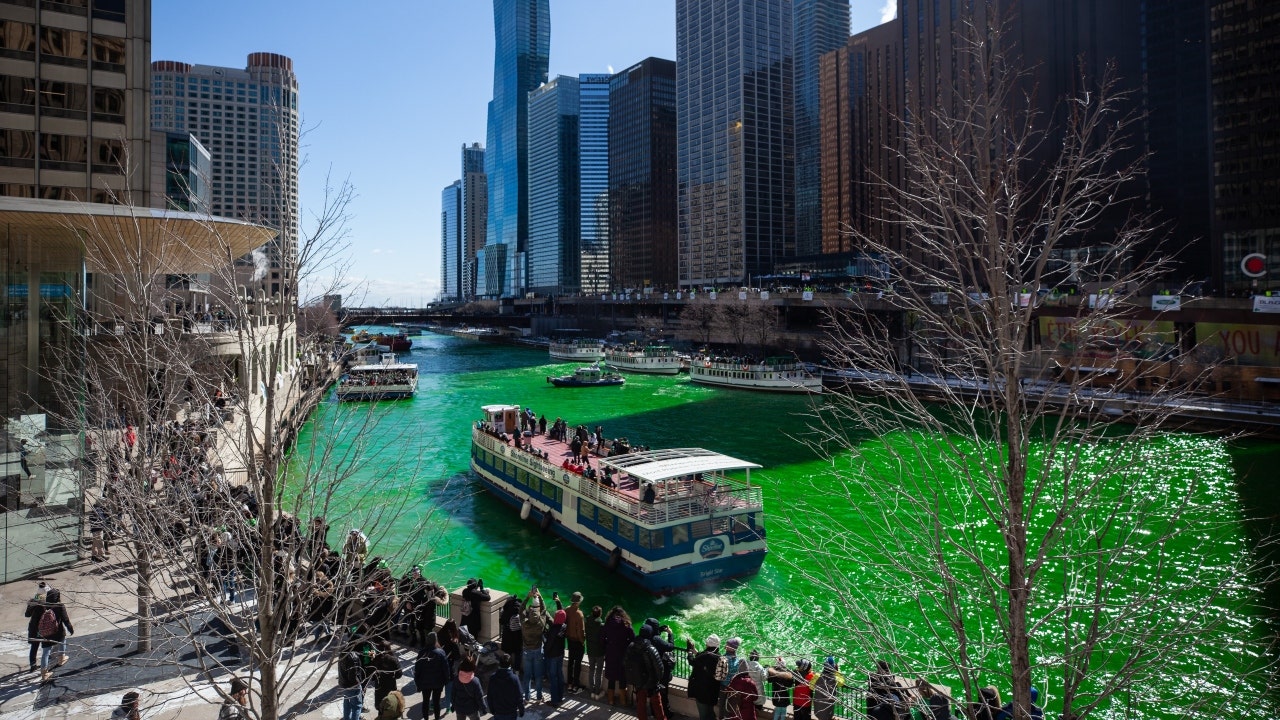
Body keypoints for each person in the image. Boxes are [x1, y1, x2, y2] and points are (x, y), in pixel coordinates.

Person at [30, 587, 74, 681]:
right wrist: (70, 629)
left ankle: (44, 673)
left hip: (46, 633)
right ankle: (61, 658)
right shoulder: (60, 606)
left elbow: (36, 620)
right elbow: (65, 619)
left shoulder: (43, 606)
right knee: (63, 641)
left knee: (46, 653)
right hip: (58, 631)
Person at [625, 624, 667, 720]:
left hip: (639, 682)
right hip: (651, 683)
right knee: (657, 705)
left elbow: (625, 662)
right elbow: (660, 668)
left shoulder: (631, 646)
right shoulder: (651, 649)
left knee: (641, 705)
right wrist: (657, 680)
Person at [600, 605, 636, 706]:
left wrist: (607, 647)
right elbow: (633, 639)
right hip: (623, 654)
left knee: (611, 678)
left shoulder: (607, 624)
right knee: (622, 678)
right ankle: (623, 701)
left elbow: (602, 640)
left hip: (611, 654)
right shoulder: (626, 624)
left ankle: (610, 700)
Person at [520, 588, 550, 701]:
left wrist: (528, 597)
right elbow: (544, 609)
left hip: (526, 650)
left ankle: (527, 697)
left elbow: (521, 610)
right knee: (538, 675)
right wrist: (540, 596)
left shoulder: (524, 623)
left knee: (527, 675)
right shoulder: (541, 623)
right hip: (537, 650)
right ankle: (538, 697)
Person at [415, 633, 451, 720]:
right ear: (435, 640)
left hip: (425, 682)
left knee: (425, 702)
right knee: (436, 702)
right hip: (438, 683)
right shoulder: (441, 653)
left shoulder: (422, 653)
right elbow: (446, 670)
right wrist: (446, 681)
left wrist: (418, 683)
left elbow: (417, 670)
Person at [686, 634, 722, 720]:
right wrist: (694, 650)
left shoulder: (704, 656)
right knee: (710, 712)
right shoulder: (719, 656)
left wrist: (690, 652)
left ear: (707, 644)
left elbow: (693, 661)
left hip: (702, 692)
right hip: (713, 692)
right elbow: (702, 659)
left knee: (703, 715)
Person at [488, 651, 527, 720]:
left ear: (499, 664)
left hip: (498, 711)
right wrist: (521, 710)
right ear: (510, 665)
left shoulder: (492, 678)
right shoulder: (514, 678)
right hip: (511, 712)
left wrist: (492, 709)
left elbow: (489, 696)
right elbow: (519, 697)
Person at [339, 639, 372, 720]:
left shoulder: (341, 655)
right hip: (353, 686)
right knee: (357, 706)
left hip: (343, 684)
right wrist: (359, 685)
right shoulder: (353, 657)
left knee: (347, 703)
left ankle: (346, 718)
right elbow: (353, 676)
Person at [715, 637, 744, 720]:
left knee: (722, 706)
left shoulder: (723, 658)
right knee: (731, 707)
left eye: (727, 645)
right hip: (733, 687)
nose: (725, 646)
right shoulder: (738, 659)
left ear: (729, 647)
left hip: (723, 686)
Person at [544, 607, 568, 704]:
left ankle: (554, 701)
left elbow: (549, 644)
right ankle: (560, 697)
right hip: (560, 654)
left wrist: (545, 652)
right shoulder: (564, 626)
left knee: (553, 678)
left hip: (552, 656)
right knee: (560, 676)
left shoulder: (554, 629)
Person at [372, 642, 404, 710]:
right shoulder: (393, 659)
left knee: (381, 709)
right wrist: (391, 676)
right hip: (390, 687)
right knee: (391, 708)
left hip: (379, 688)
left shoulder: (375, 659)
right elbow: (399, 674)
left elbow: (371, 676)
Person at [565, 591, 586, 693]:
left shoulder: (567, 610)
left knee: (570, 662)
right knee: (577, 664)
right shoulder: (579, 614)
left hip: (569, 640)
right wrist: (582, 642)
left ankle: (569, 684)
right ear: (578, 602)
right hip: (577, 641)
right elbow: (581, 631)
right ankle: (575, 686)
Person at [585, 605, 606, 698]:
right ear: (600, 614)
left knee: (591, 670)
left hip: (590, 650)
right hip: (600, 652)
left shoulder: (587, 622)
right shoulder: (602, 626)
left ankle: (591, 690)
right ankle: (597, 692)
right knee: (599, 672)